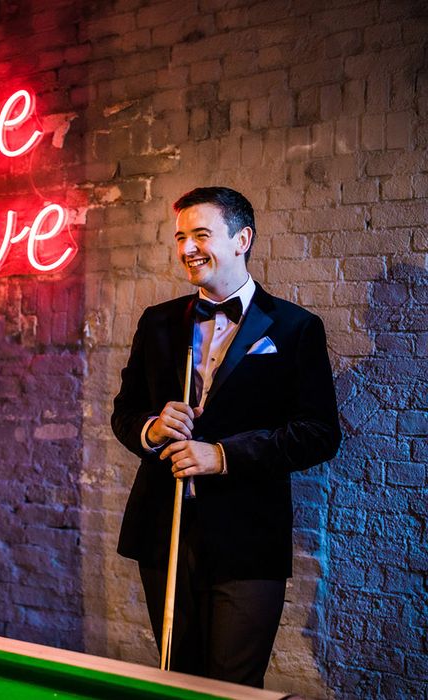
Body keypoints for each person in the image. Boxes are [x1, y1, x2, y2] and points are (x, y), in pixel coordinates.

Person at [111, 186, 341, 688]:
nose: (187, 248)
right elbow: (124, 412)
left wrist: (221, 455)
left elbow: (319, 434)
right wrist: (151, 429)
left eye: (200, 234)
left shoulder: (296, 328)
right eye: (180, 237)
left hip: (248, 537)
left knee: (235, 687)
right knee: (178, 682)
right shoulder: (157, 323)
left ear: (242, 240)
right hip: (166, 532)